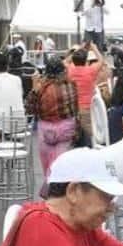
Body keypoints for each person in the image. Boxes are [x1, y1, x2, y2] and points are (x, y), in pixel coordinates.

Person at [26, 56, 79, 191]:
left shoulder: (41, 89)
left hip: (46, 131)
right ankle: (57, 190)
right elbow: (75, 110)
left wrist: (34, 88)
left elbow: (30, 109)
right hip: (67, 129)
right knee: (60, 165)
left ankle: (50, 189)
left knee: (47, 163)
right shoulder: (71, 86)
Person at [67, 45, 104, 145]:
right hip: (87, 109)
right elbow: (101, 60)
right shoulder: (90, 70)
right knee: (91, 137)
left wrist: (80, 48)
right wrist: (94, 48)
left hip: (73, 109)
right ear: (86, 60)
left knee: (74, 139)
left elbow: (65, 62)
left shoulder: (70, 70)